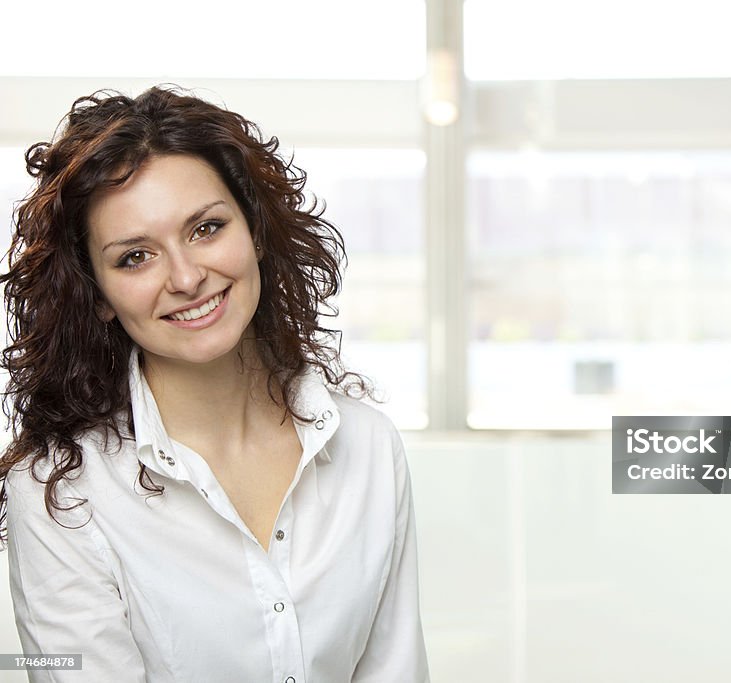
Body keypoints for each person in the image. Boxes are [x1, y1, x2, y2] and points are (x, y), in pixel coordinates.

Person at [0, 86, 430, 682]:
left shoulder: (369, 445)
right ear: (97, 295)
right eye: (134, 257)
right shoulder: (60, 492)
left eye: (205, 228)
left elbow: (395, 670)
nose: (186, 277)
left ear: (253, 229)